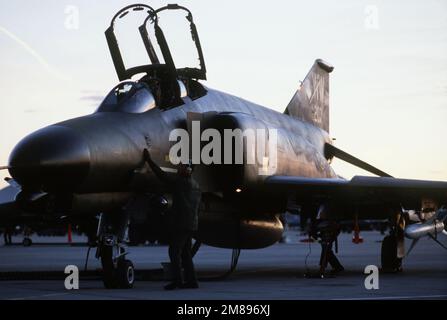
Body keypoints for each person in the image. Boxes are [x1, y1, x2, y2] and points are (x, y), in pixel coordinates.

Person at [142, 149, 202, 290]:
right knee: (186, 253)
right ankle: (192, 281)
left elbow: (162, 176)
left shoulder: (181, 183)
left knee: (174, 251)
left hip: (181, 224)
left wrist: (149, 161)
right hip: (191, 224)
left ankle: (177, 281)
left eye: (181, 166)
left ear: (188, 169)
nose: (179, 168)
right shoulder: (196, 185)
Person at [311, 204, 344, 276]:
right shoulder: (323, 206)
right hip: (328, 227)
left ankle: (323, 269)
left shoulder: (327, 207)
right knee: (327, 249)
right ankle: (337, 267)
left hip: (330, 228)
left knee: (326, 249)